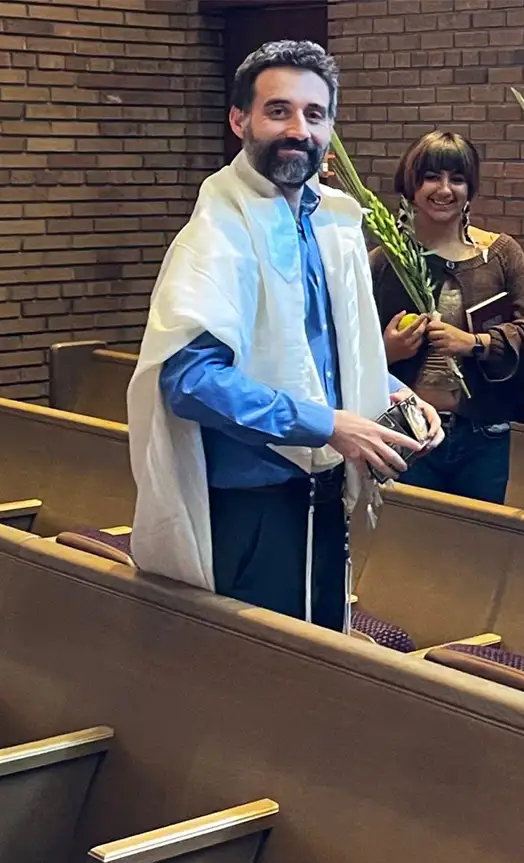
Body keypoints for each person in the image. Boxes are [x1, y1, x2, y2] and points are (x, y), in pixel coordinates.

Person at [126, 40, 441, 632]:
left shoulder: (330, 223)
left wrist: (389, 392)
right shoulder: (215, 235)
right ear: (240, 120)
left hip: (322, 489)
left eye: (314, 115)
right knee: (262, 682)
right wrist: (327, 424)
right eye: (279, 111)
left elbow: (325, 352)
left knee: (323, 655)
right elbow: (188, 381)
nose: (298, 129)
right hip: (254, 502)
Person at [371, 131, 524, 505]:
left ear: (471, 188)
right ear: (411, 183)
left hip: (483, 437)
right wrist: (384, 353)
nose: (444, 189)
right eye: (432, 176)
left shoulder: (499, 255)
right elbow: (341, 357)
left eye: (457, 178)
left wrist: (475, 343)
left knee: (480, 550)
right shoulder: (383, 263)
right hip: (409, 433)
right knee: (407, 549)